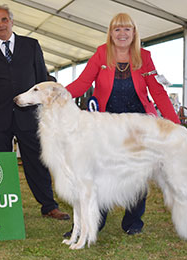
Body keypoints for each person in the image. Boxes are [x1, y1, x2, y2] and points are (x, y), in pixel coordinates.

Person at [64, 13, 180, 236]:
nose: (122, 34)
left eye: (127, 29)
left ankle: (133, 221)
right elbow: (82, 83)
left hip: (137, 124)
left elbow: (157, 91)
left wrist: (174, 124)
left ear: (134, 32)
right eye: (117, 29)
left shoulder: (144, 56)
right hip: (105, 124)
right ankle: (93, 222)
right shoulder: (101, 54)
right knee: (98, 172)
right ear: (111, 33)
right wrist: (59, 93)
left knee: (137, 172)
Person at [0, 5, 69, 220]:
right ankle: (2, 206)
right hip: (0, 116)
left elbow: (41, 77)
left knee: (36, 161)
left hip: (29, 116)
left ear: (11, 21)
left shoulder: (31, 45)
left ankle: (48, 206)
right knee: (1, 163)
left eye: (3, 20)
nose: (0, 24)